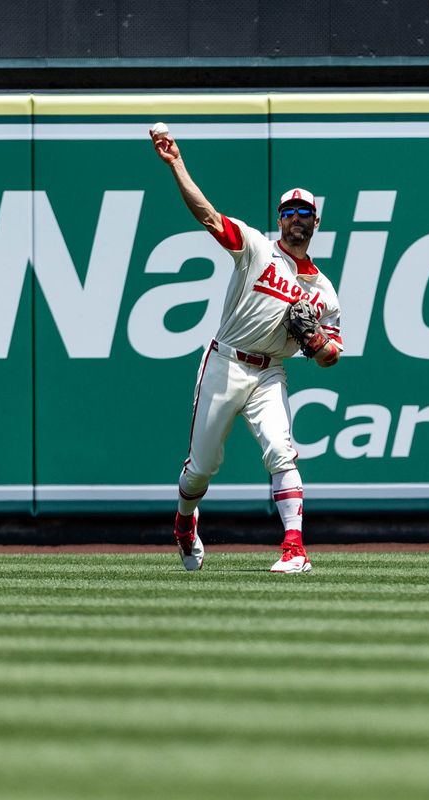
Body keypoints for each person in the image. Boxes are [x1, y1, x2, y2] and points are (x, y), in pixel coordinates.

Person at [150, 124, 342, 574]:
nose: (297, 217)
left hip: (270, 371)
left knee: (282, 450)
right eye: (290, 210)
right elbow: (209, 216)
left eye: (305, 212)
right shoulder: (256, 248)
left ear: (315, 222)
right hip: (225, 361)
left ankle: (295, 549)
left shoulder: (325, 293)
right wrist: (176, 163)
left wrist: (315, 344)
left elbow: (334, 353)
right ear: (280, 219)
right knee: (201, 468)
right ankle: (183, 524)